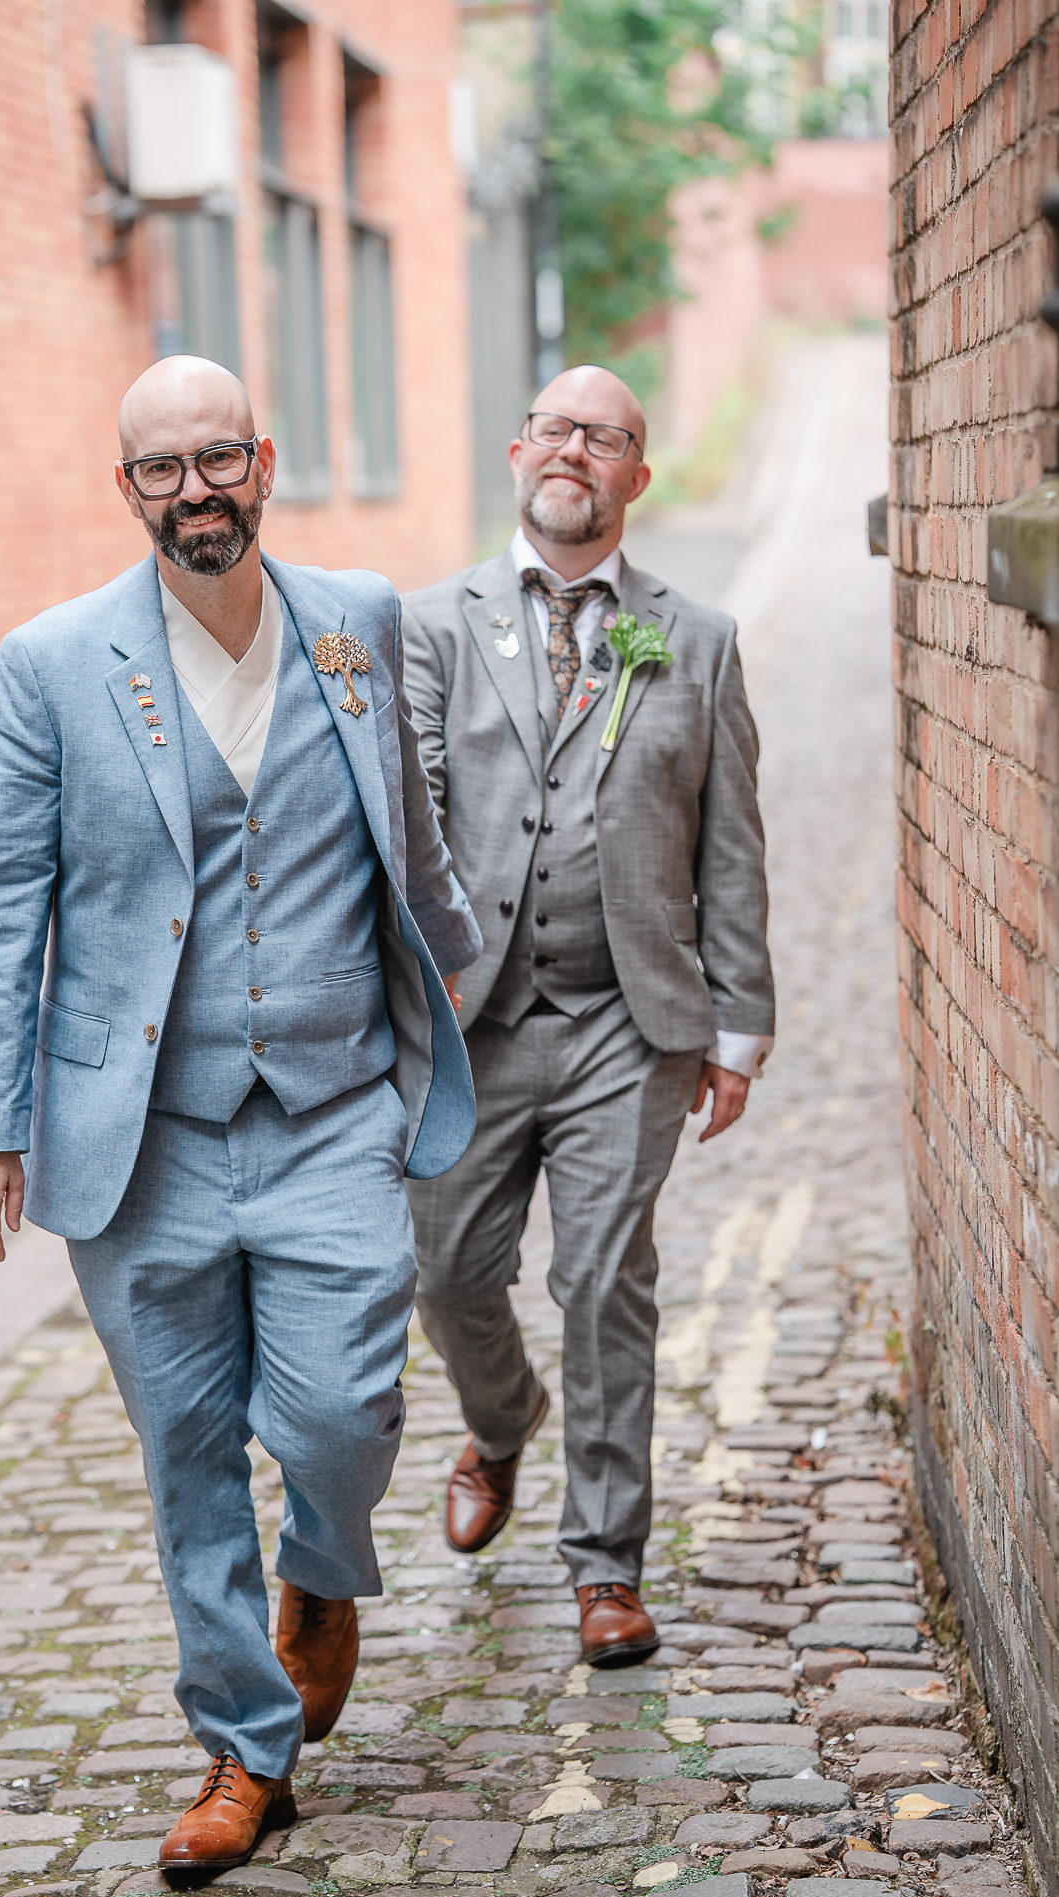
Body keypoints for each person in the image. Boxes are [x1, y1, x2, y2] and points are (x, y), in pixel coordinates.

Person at [0, 357, 481, 1874]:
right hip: (143, 1139)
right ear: (127, 491)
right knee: (185, 1448)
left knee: (332, 1417)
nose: (194, 491)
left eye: (217, 460)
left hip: (327, 1109)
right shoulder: (50, 663)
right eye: (158, 470)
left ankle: (323, 1569)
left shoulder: (360, 620)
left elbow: (412, 841)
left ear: (263, 460)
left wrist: (457, 1012)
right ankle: (241, 1754)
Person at [401, 363, 774, 1668]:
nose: (574, 451)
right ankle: (500, 1423)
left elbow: (726, 839)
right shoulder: (426, 627)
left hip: (630, 1020)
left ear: (634, 476)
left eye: (603, 437)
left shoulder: (694, 635)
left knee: (604, 1277)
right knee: (447, 1275)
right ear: (517, 454)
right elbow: (405, 814)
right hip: (472, 1019)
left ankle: (604, 1565)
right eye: (556, 429)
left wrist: (737, 1021)